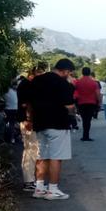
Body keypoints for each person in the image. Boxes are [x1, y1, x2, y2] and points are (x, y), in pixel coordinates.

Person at [28, 58, 75, 200]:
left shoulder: (36, 80)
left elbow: (29, 102)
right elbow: (69, 106)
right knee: (56, 157)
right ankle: (53, 189)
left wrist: (30, 119)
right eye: (69, 72)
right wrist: (73, 114)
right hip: (58, 124)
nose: (69, 75)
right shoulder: (63, 84)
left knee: (42, 155)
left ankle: (39, 188)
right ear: (65, 71)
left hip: (39, 123)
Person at [17, 62, 47, 191]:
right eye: (39, 73)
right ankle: (29, 181)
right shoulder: (27, 85)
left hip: (29, 121)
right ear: (32, 74)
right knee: (31, 150)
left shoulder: (26, 84)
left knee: (31, 150)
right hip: (29, 122)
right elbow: (27, 105)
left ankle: (30, 180)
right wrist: (29, 120)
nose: (41, 75)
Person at [74, 67, 101, 141]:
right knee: (88, 120)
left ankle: (84, 135)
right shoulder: (94, 83)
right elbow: (98, 94)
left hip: (81, 103)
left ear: (82, 73)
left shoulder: (77, 82)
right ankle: (86, 136)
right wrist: (99, 103)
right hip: (91, 103)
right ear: (89, 73)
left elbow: (74, 93)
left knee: (84, 119)